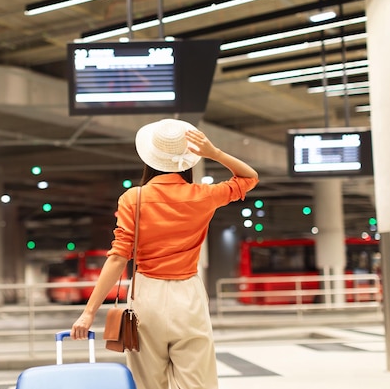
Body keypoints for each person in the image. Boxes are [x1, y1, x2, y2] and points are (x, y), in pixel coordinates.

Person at [71, 118, 259, 389]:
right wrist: (213, 153)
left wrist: (89, 313)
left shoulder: (133, 198)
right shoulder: (203, 195)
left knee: (148, 384)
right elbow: (249, 177)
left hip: (147, 299)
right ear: (188, 160)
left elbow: (118, 257)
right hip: (189, 298)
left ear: (150, 158)